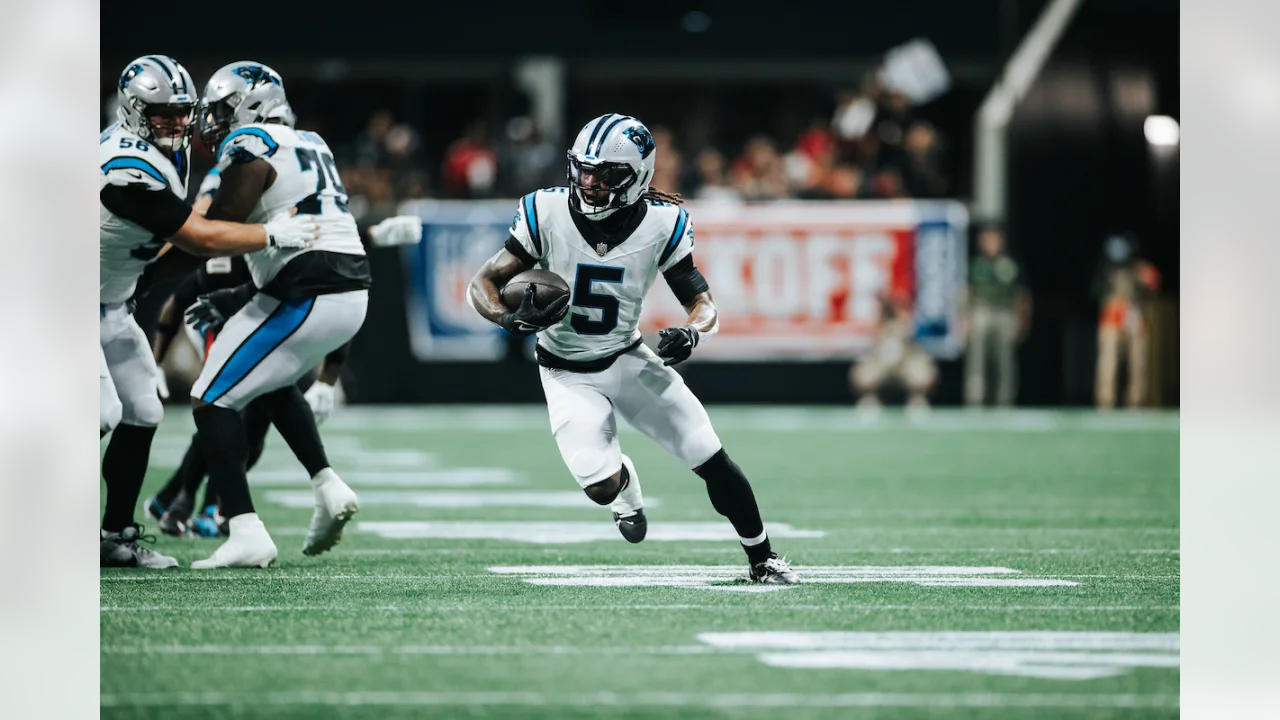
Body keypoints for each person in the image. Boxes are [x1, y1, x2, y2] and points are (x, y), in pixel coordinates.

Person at [468, 114, 798, 584]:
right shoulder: (546, 211)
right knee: (600, 487)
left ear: (636, 176)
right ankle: (624, 488)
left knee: (709, 454)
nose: (589, 183)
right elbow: (483, 282)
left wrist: (692, 332)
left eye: (604, 175)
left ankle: (763, 558)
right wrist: (504, 316)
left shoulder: (663, 223)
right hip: (565, 371)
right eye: (583, 170)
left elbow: (703, 304)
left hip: (627, 358)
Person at [100, 55, 316, 569]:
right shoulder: (126, 165)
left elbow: (172, 245)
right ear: (134, 111)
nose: (178, 124)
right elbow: (196, 237)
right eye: (164, 114)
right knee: (103, 412)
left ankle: (112, 537)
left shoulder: (165, 153)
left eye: (183, 112)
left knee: (143, 411)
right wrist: (266, 233)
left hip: (110, 302)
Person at [185, 61, 372, 568]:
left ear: (251, 106)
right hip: (347, 291)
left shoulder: (250, 145)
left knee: (210, 399)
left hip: (307, 291)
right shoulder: (312, 143)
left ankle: (244, 530)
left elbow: (215, 230)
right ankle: (329, 486)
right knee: (269, 383)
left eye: (224, 111)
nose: (215, 123)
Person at [963, 226, 1030, 406]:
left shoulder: (1010, 264)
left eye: (994, 239)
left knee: (1005, 359)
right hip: (980, 311)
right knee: (977, 358)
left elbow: (1022, 295)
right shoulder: (975, 264)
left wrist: (1022, 320)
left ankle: (1004, 399)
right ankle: (975, 399)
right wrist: (963, 318)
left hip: (1005, 313)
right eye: (986, 239)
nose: (990, 244)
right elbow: (965, 292)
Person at [1094, 233, 1159, 408]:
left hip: (1133, 318)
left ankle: (1136, 401)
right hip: (1111, 318)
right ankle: (1105, 400)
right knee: (1108, 361)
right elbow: (1095, 291)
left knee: (1137, 361)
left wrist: (1143, 278)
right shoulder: (1103, 270)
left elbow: (1153, 285)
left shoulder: (1141, 270)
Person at [850, 292, 937, 410]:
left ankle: (917, 401)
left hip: (904, 367)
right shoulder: (879, 329)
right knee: (862, 373)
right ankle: (869, 401)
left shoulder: (907, 328)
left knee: (923, 371)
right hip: (882, 367)